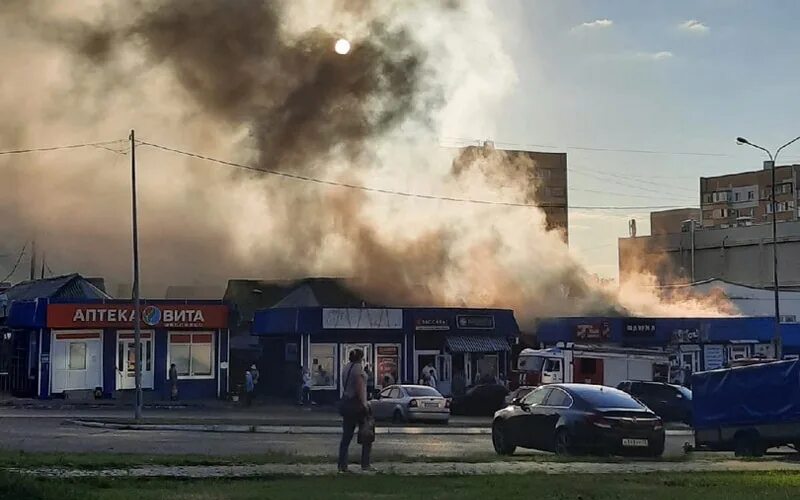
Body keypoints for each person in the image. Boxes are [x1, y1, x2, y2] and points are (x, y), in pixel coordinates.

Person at [338, 348, 373, 473]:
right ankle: (365, 463)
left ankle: (342, 464)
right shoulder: (358, 369)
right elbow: (360, 388)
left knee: (346, 436)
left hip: (347, 403)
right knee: (367, 434)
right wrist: (365, 405)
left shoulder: (346, 368)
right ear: (360, 358)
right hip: (357, 406)